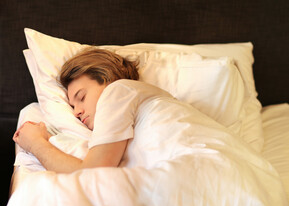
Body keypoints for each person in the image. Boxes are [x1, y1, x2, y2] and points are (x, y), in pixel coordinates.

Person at [13, 47, 197, 173]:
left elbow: (93, 173)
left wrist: (36, 143)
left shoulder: (118, 90)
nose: (76, 112)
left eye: (82, 97)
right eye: (73, 106)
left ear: (107, 79)